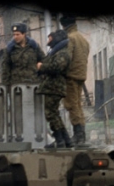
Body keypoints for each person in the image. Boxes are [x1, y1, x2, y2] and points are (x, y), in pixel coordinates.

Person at [37, 29, 72, 148]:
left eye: (50, 38)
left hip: (54, 87)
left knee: (50, 113)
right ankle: (65, 140)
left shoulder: (63, 53)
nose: (48, 41)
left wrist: (42, 67)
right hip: (50, 87)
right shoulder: (55, 52)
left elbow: (57, 67)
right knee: (54, 114)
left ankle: (60, 140)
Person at [59, 14, 90, 145]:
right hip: (81, 75)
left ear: (64, 25)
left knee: (72, 105)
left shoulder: (69, 38)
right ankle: (81, 134)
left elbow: (66, 58)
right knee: (78, 105)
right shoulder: (83, 39)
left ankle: (78, 136)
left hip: (70, 76)